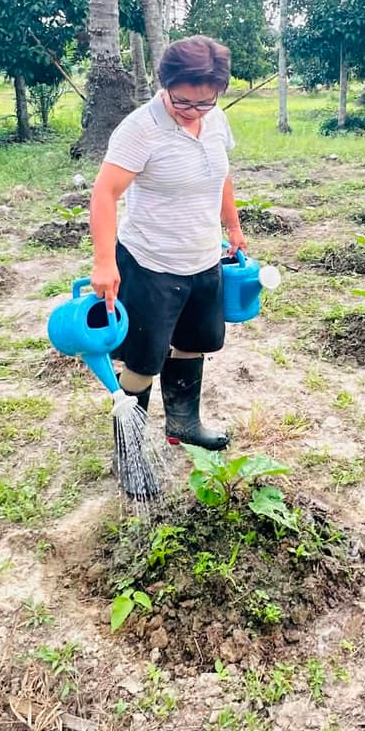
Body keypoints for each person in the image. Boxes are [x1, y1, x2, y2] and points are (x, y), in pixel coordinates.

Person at [89, 35, 246, 453]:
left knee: (194, 344)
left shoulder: (216, 121)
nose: (193, 113)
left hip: (203, 258)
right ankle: (131, 450)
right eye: (183, 103)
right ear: (165, 84)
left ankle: (183, 424)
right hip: (150, 264)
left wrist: (232, 226)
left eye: (205, 103)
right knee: (143, 361)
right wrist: (105, 263)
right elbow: (104, 194)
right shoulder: (140, 129)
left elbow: (221, 175)